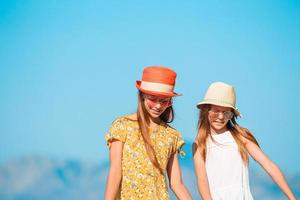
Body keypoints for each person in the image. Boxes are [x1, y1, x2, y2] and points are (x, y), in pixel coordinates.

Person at [193, 82, 296, 200]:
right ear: (206, 111)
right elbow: (202, 181)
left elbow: (269, 166)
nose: (221, 117)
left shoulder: (240, 137)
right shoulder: (199, 144)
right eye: (216, 111)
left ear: (231, 115)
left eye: (226, 113)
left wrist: (291, 197)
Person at [104, 66, 192, 200]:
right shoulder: (122, 126)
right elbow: (115, 172)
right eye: (153, 99)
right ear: (142, 95)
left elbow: (176, 184)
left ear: (170, 102)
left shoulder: (172, 136)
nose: (158, 106)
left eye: (164, 101)